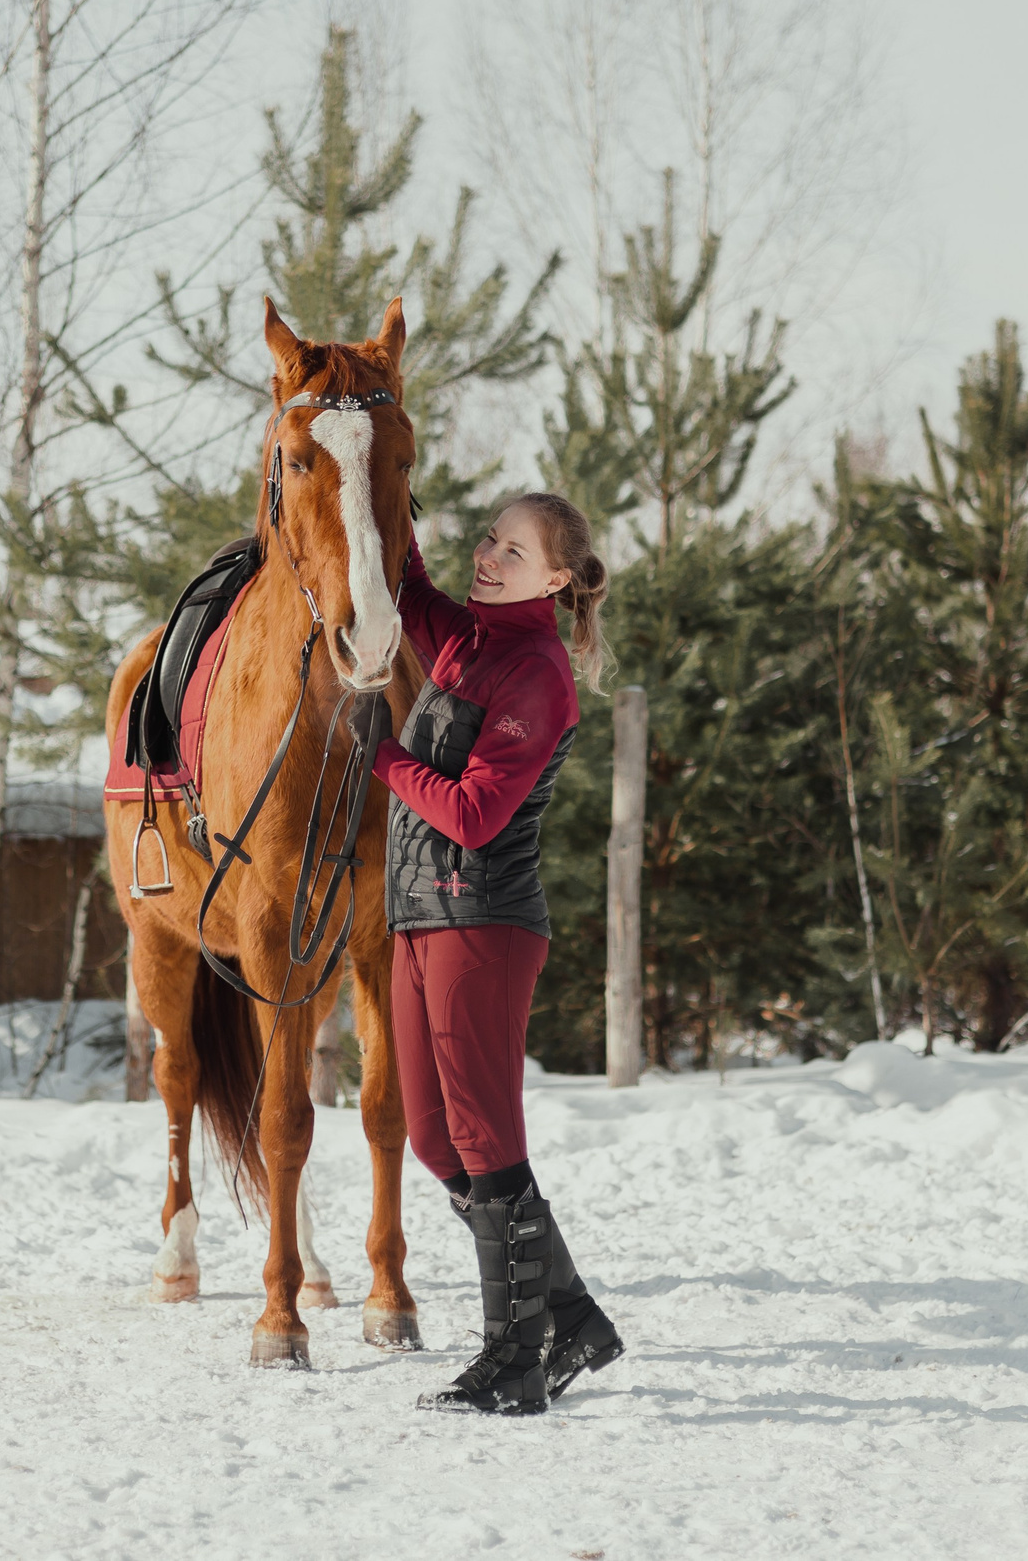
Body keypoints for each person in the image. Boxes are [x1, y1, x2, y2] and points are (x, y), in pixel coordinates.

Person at [369, 490, 623, 1415]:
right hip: (420, 918)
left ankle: (515, 1360)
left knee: (487, 1140)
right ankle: (572, 1317)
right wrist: (386, 493)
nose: (489, 557)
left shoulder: (536, 670)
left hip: (484, 920)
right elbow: (404, 585)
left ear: (556, 578)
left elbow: (475, 817)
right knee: (436, 1139)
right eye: (489, 540)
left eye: (514, 552)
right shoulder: (467, 641)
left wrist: (387, 758)